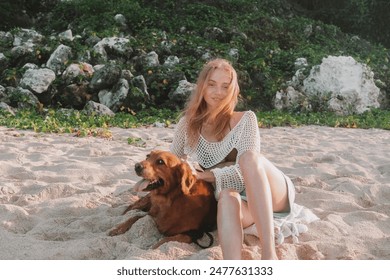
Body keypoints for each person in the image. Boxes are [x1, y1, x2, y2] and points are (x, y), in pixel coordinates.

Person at [169, 58, 295, 260]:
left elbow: (246, 171)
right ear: (202, 86)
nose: (218, 92)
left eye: (225, 86)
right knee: (226, 197)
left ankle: (269, 254)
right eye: (212, 84)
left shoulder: (245, 119)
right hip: (241, 202)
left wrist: (206, 176)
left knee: (249, 159)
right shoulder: (187, 124)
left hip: (272, 194)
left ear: (232, 90)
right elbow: (171, 164)